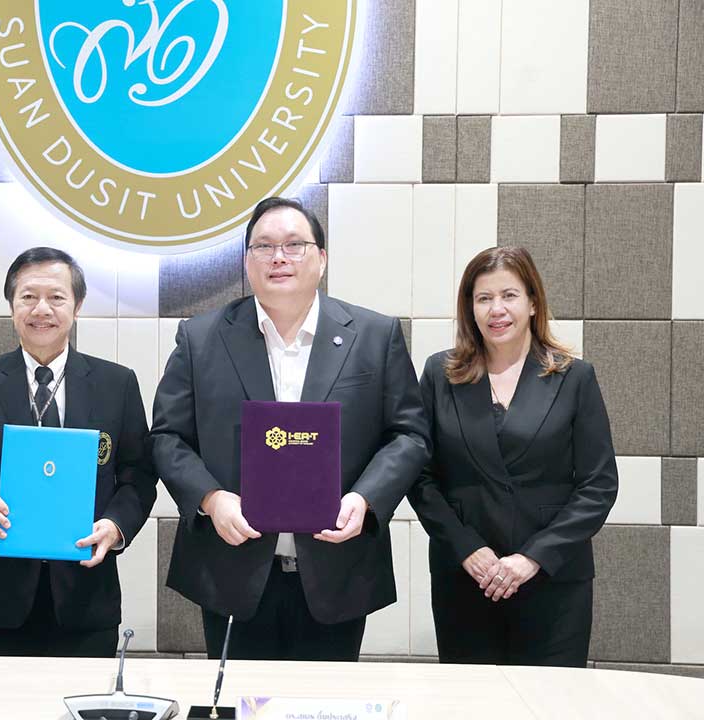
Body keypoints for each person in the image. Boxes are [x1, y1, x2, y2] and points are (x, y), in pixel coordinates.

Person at [151, 197, 429, 661]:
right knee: (240, 699)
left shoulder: (374, 335)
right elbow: (167, 436)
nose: (278, 257)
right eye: (263, 246)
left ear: (321, 258)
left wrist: (365, 499)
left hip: (337, 570)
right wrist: (211, 499)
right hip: (232, 569)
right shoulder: (200, 338)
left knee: (322, 699)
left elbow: (409, 435)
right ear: (247, 262)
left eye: (294, 245)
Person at [0, 246, 156, 657]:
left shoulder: (116, 384)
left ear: (77, 306)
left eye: (56, 297)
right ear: (11, 306)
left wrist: (115, 526)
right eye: (28, 297)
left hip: (86, 596)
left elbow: (138, 476)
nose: (42, 309)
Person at [408, 245, 618, 667]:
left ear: (533, 302)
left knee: (549, 698)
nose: (496, 309)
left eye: (509, 295)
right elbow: (420, 476)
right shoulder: (439, 374)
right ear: (470, 308)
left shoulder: (575, 377)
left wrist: (533, 557)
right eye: (484, 298)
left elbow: (598, 485)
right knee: (470, 699)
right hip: (467, 576)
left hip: (553, 579)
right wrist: (467, 548)